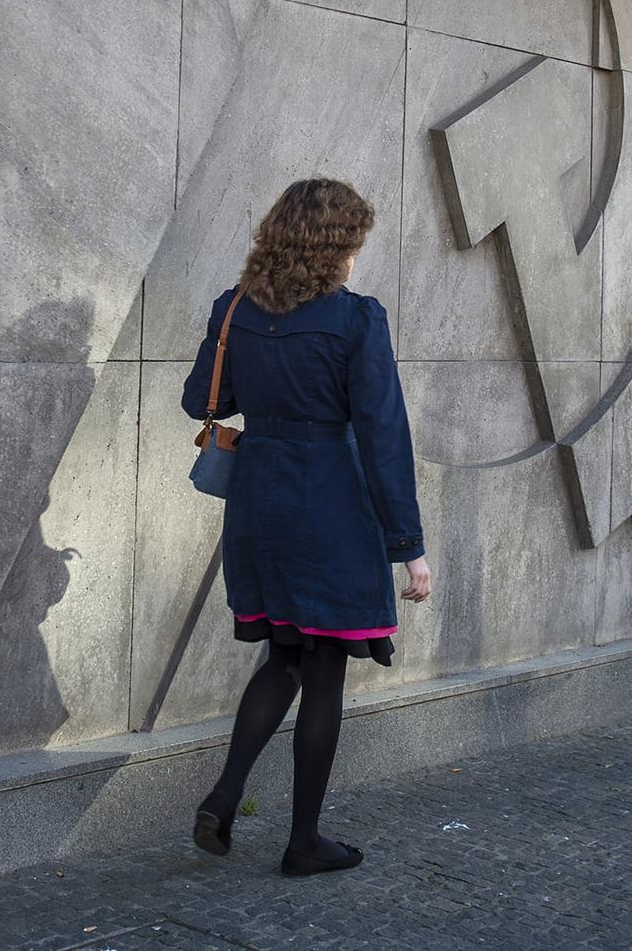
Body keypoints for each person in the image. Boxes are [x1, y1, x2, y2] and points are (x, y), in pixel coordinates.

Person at [181, 177, 432, 877]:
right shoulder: (356, 320)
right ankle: (302, 843)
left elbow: (200, 400)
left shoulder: (234, 309)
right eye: (355, 242)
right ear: (339, 246)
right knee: (321, 675)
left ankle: (225, 797)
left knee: (284, 658)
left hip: (259, 503)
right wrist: (407, 547)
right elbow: (384, 435)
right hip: (330, 506)